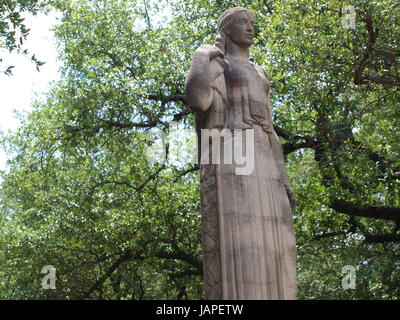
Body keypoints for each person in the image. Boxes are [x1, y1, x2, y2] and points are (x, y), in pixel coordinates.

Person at [185, 7, 297, 299]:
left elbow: (271, 129)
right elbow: (198, 101)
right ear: (227, 29)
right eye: (242, 22)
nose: (250, 27)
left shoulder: (261, 72)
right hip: (234, 152)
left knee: (276, 242)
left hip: (265, 158)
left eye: (252, 23)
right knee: (241, 242)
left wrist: (284, 179)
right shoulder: (219, 64)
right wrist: (201, 56)